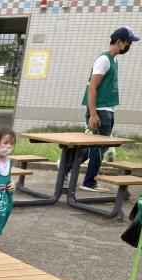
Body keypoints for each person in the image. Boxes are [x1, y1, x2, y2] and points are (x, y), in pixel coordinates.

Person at [69, 26, 138, 194]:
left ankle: (67, 165)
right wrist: (93, 114)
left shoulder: (113, 60)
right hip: (100, 111)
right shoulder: (104, 59)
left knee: (97, 146)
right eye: (128, 42)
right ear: (119, 41)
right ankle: (89, 181)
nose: (130, 45)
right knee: (99, 148)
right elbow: (92, 88)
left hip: (108, 109)